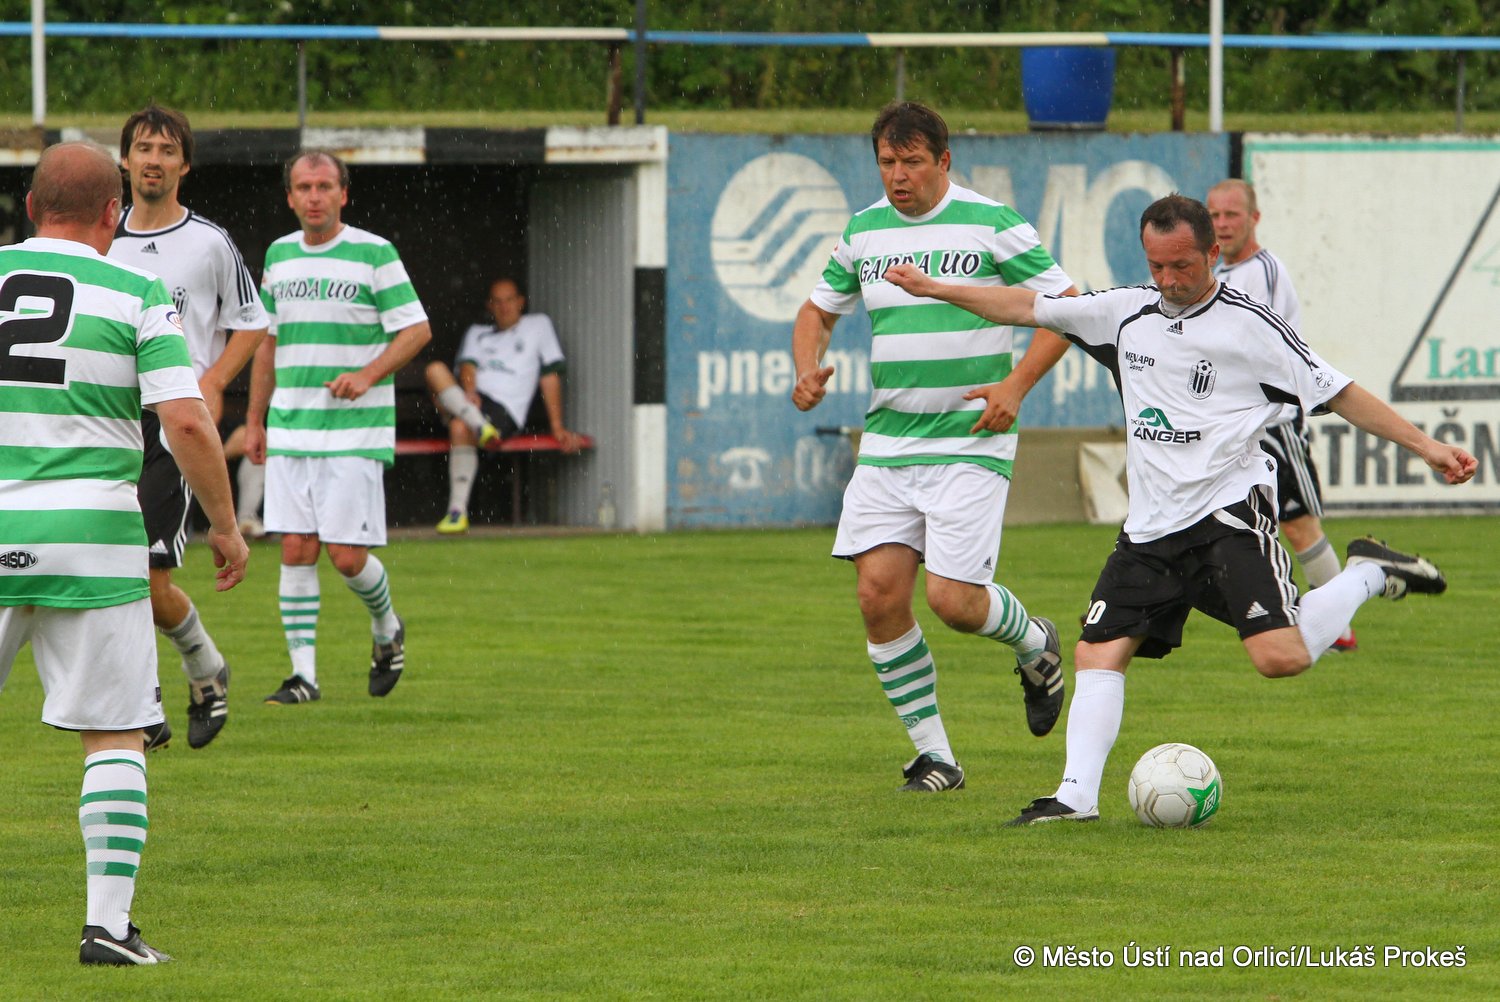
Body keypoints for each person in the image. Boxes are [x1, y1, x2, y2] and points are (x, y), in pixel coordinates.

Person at [884, 193, 1477, 824]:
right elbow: (1028, 306)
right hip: (1150, 529)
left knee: (1280, 659)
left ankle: (1368, 572)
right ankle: (1075, 799)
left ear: (1212, 253)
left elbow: (1341, 392)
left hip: (1228, 517)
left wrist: (1429, 447)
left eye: (1182, 266)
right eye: (1157, 266)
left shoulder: (1251, 327)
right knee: (1097, 652)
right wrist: (935, 289)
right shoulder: (1124, 312)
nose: (1168, 280)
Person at [0, 142, 248, 964]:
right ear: (113, 215)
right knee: (114, 736)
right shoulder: (135, 289)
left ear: (30, 209)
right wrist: (224, 523)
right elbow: (185, 420)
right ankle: (107, 929)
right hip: (94, 538)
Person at [790, 101, 1080, 794]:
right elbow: (816, 311)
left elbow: (1068, 310)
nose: (898, 176)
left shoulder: (992, 223)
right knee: (877, 596)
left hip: (969, 441)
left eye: (913, 162)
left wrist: (1015, 385)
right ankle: (936, 758)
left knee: (953, 601)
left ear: (944, 161)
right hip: (889, 443)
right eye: (887, 162)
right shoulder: (864, 230)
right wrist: (806, 367)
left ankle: (1035, 643)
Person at [108, 104, 269, 750]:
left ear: (185, 165)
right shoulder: (102, 239)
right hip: (107, 425)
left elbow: (252, 322)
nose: (154, 160)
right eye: (143, 149)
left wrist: (215, 380)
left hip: (170, 427)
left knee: (147, 583)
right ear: (124, 161)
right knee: (103, 573)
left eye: (167, 150)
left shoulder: (209, 242)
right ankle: (145, 706)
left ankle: (203, 668)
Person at [245, 150, 432, 705]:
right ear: (290, 197)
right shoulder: (279, 255)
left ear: (343, 194)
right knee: (296, 547)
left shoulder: (375, 253)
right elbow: (267, 343)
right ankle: (303, 676)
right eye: (304, 187)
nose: (314, 196)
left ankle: (386, 627)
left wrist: (368, 374)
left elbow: (416, 330)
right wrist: (255, 419)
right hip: (291, 427)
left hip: (355, 430)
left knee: (346, 555)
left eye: (324, 186)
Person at [1207, 178, 1355, 653]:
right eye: (1214, 215)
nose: (1222, 224)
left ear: (1254, 218)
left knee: (1298, 524)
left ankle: (1339, 628)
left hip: (1274, 421)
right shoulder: (1219, 273)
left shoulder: (1263, 271)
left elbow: (1261, 344)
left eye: (1232, 214)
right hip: (1236, 424)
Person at [425, 277, 584, 534]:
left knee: (459, 427)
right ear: (489, 306)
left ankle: (456, 512)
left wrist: (557, 426)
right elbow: (467, 367)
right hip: (471, 401)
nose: (504, 306)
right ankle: (479, 424)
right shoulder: (477, 332)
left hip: (505, 408)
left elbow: (549, 376)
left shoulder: (538, 326)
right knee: (434, 370)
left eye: (509, 300)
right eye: (497, 301)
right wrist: (470, 391)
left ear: (521, 302)